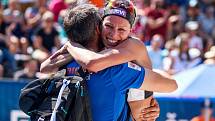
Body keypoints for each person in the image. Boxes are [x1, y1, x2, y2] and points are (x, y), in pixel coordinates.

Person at [41, 2, 177, 120]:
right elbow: (45, 66)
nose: (114, 34)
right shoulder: (109, 65)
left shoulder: (131, 47)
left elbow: (92, 63)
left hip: (139, 97)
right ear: (99, 26)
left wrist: (71, 45)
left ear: (131, 31)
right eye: (109, 26)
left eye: (122, 29)